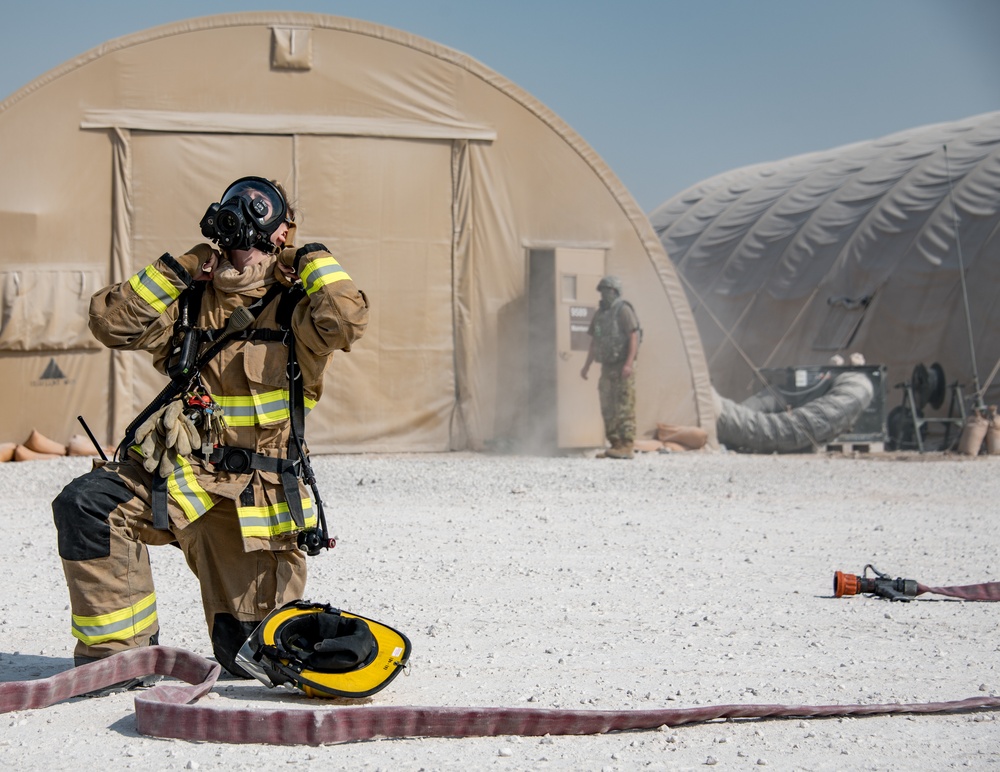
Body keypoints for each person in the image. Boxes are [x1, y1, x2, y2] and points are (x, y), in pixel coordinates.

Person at [52, 176, 369, 685]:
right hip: (181, 479)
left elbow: (346, 322)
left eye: (259, 206)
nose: (241, 212)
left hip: (252, 503)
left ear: (280, 231)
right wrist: (178, 268)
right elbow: (111, 323)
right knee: (88, 504)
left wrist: (311, 257)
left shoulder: (297, 310)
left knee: (252, 659)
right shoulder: (188, 300)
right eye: (234, 201)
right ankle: (116, 661)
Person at [580, 275, 640, 459]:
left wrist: (629, 363)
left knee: (624, 405)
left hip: (622, 366)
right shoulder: (600, 314)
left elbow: (633, 337)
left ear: (615, 291)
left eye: (607, 290)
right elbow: (594, 342)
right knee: (607, 405)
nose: (604, 294)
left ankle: (627, 446)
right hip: (607, 367)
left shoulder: (623, 311)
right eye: (602, 291)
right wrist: (586, 366)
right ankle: (615, 444)